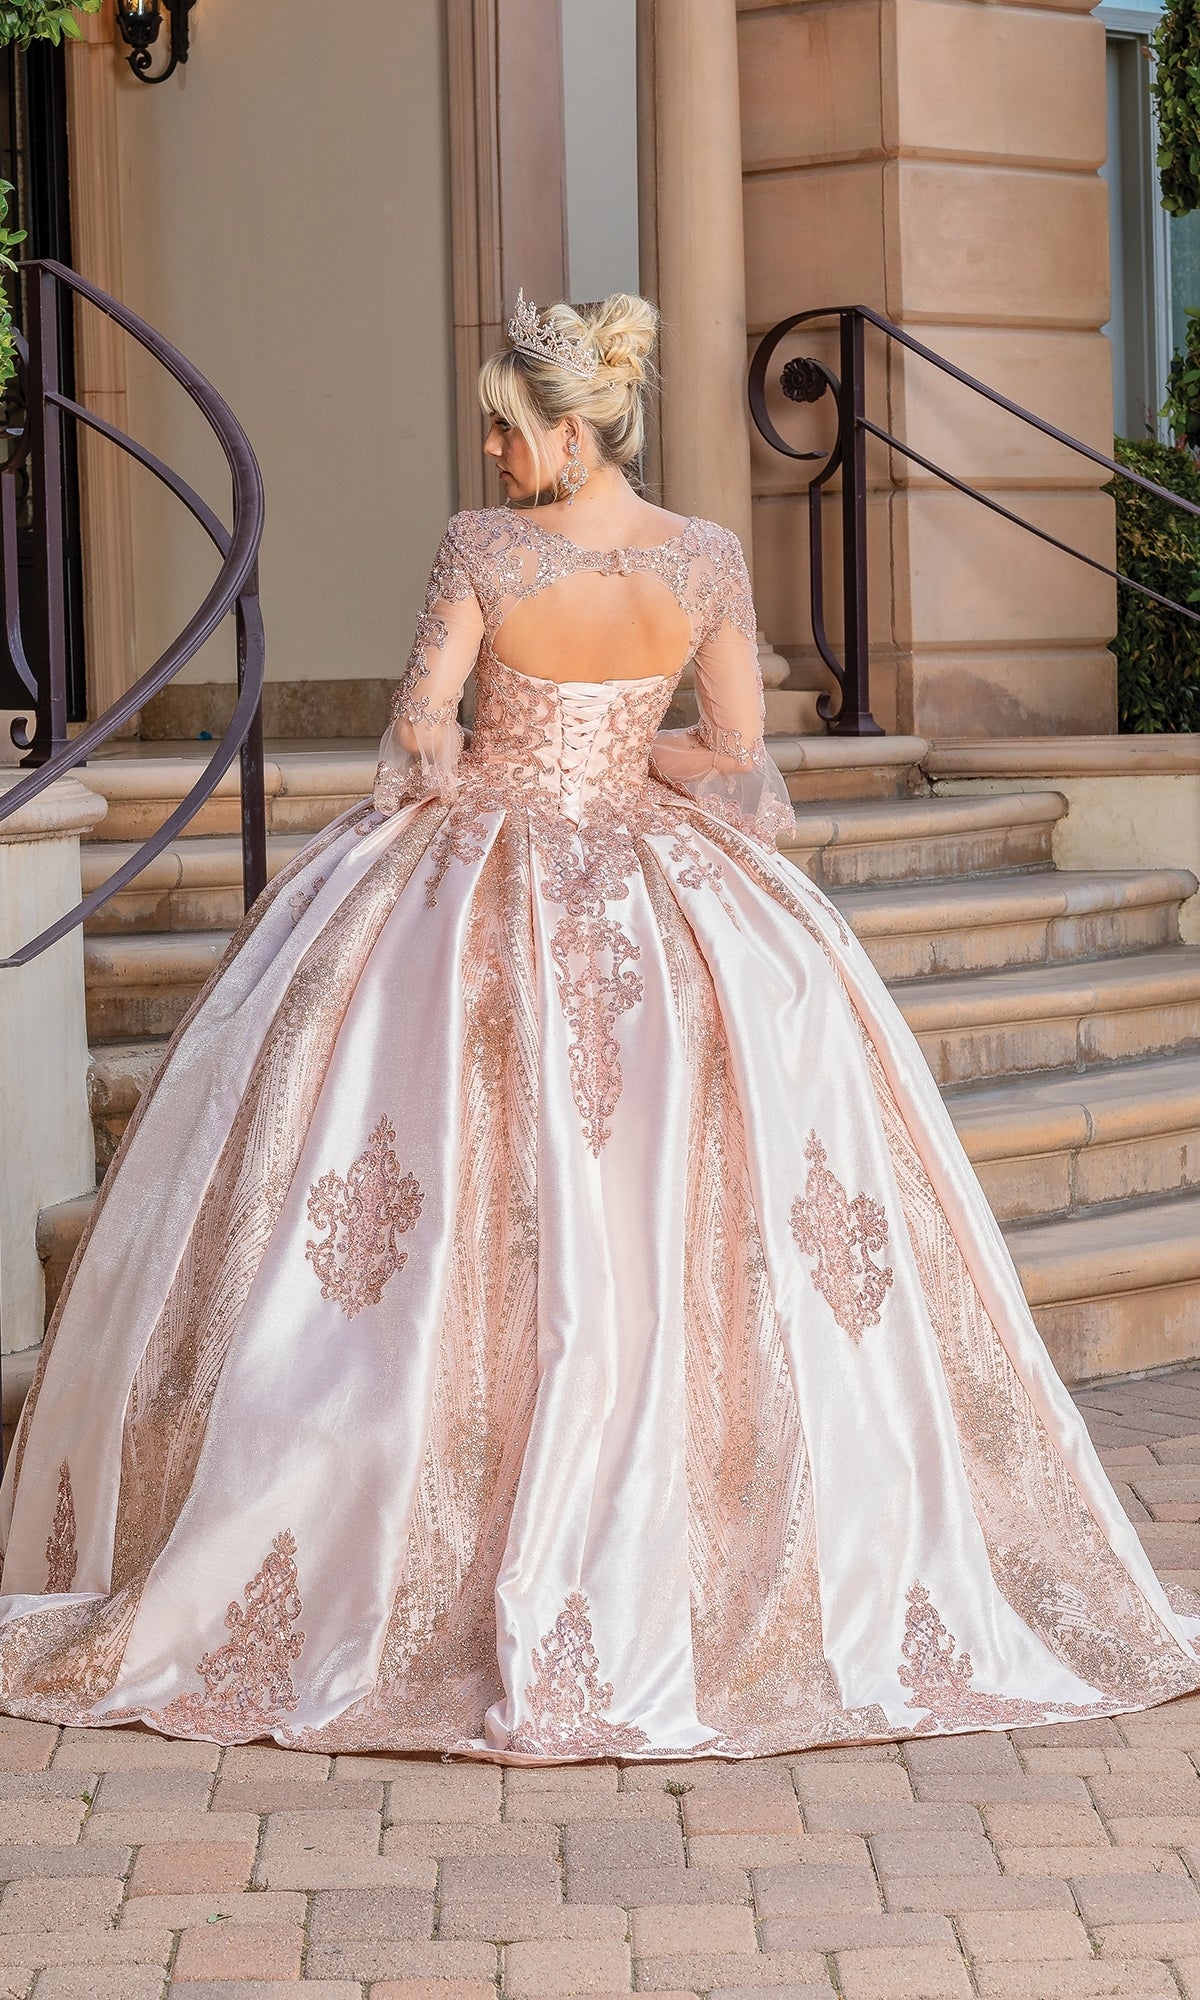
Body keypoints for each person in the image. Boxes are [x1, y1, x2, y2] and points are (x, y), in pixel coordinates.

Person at [0, 291, 1196, 1764]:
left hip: (478, 869)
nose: (493, 452)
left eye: (510, 429)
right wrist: (628, 752)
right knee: (647, 1192)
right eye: (492, 433)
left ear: (574, 432)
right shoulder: (703, 556)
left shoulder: (483, 551)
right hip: (655, 872)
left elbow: (421, 731)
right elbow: (740, 762)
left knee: (437, 1170)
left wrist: (456, 752)